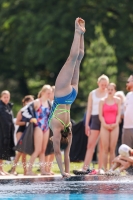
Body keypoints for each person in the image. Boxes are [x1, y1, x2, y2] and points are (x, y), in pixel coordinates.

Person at [48, 17, 85, 178]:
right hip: (62, 96)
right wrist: (63, 173)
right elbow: (58, 152)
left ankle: (82, 34)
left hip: (72, 96)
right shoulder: (55, 129)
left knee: (78, 60)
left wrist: (67, 172)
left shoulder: (68, 130)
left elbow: (66, 155)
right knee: (72, 60)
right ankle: (78, 33)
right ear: (55, 138)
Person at [73, 74, 109, 175]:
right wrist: (87, 124)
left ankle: (101, 168)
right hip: (94, 118)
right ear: (98, 83)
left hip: (104, 119)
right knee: (90, 145)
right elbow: (89, 109)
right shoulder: (92, 93)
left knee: (102, 146)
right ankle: (85, 167)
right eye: (102, 84)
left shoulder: (108, 93)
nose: (104, 87)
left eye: (106, 85)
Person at [23, 85, 52, 175]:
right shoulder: (36, 102)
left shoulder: (49, 103)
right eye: (48, 93)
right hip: (38, 126)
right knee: (37, 150)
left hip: (46, 127)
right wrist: (31, 118)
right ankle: (29, 170)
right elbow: (24, 110)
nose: (49, 95)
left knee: (43, 150)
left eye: (50, 93)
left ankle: (43, 170)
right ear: (43, 92)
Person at [9, 95, 34, 175]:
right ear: (25, 102)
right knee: (20, 151)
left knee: (24, 153)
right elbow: (17, 122)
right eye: (30, 101)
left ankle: (25, 171)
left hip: (28, 132)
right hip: (21, 131)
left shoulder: (32, 111)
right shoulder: (22, 111)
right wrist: (27, 122)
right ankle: (13, 169)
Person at [99, 83, 121, 172]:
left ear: (114, 91)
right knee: (105, 149)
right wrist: (104, 124)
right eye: (109, 89)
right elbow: (100, 115)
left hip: (115, 126)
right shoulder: (102, 101)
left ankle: (112, 169)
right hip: (104, 126)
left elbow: (119, 113)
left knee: (112, 149)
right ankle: (105, 169)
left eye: (112, 89)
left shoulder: (118, 100)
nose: (110, 91)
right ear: (106, 90)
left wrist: (115, 123)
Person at [0, 90, 15, 175]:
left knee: (3, 151)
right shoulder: (1, 107)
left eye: (7, 97)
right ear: (1, 97)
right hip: (1, 132)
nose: (6, 99)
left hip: (6, 133)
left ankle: (1, 169)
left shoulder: (7, 106)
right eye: (4, 97)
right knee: (0, 150)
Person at [122, 75, 133, 149]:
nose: (126, 83)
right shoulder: (128, 95)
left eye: (128, 81)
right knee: (126, 153)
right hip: (126, 128)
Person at [115, 91, 126, 155]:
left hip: (124, 124)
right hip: (116, 124)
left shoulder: (125, 103)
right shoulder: (114, 104)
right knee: (117, 141)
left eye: (120, 97)